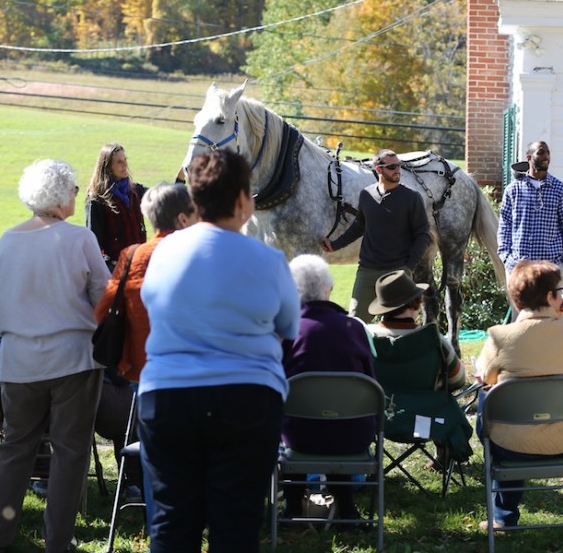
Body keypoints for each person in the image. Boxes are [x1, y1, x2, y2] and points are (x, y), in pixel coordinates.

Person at [138, 149, 300, 552]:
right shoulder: (268, 259)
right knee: (236, 526)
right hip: (245, 397)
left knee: (172, 523)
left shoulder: (163, 254)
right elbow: (288, 328)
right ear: (244, 200)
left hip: (168, 396)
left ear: (194, 198)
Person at [0, 159, 110, 553]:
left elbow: (0, 294)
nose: (76, 193)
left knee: (14, 451)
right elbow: (102, 299)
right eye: (72, 187)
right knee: (69, 453)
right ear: (58, 196)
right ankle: (57, 541)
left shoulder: (7, 240)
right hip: (73, 359)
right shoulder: (80, 239)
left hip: (20, 360)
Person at [473, 259, 563, 530]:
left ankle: (503, 516)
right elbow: (550, 347)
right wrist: (559, 316)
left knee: (489, 399)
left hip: (513, 443)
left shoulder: (499, 336)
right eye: (561, 289)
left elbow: (485, 379)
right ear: (550, 296)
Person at [93, 182, 196, 508]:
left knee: (153, 451)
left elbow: (102, 312)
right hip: (196, 375)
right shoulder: (200, 254)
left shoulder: (132, 255)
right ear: (182, 218)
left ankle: (155, 510)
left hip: (145, 377)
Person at [281, 254, 376, 523]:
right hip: (353, 435)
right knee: (336, 414)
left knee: (301, 415)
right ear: (328, 289)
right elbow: (371, 380)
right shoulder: (354, 328)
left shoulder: (286, 331)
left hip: (298, 437)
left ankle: (292, 509)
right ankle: (346, 509)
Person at [321, 149, 432, 322]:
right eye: (392, 167)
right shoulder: (366, 195)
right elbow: (359, 227)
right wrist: (334, 245)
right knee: (356, 324)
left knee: (398, 326)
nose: (398, 170)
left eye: (399, 166)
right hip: (367, 271)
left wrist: (408, 267)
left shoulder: (412, 198)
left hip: (397, 273)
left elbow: (423, 235)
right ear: (378, 169)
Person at [366, 270, 466, 392]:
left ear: (382, 308)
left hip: (380, 408)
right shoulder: (433, 339)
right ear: (416, 302)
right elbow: (458, 379)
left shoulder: (365, 336)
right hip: (426, 409)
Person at [497, 140, 563, 278]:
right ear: (529, 158)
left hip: (550, 269)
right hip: (519, 269)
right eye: (541, 152)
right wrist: (507, 259)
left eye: (548, 153)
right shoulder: (513, 190)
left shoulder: (561, 190)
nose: (546, 156)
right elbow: (505, 225)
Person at [85, 143, 147, 271]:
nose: (125, 165)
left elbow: (164, 198)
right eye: (119, 162)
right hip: (114, 270)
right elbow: (94, 243)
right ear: (107, 167)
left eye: (125, 160)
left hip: (139, 267)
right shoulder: (97, 199)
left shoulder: (136, 191)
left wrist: (180, 180)